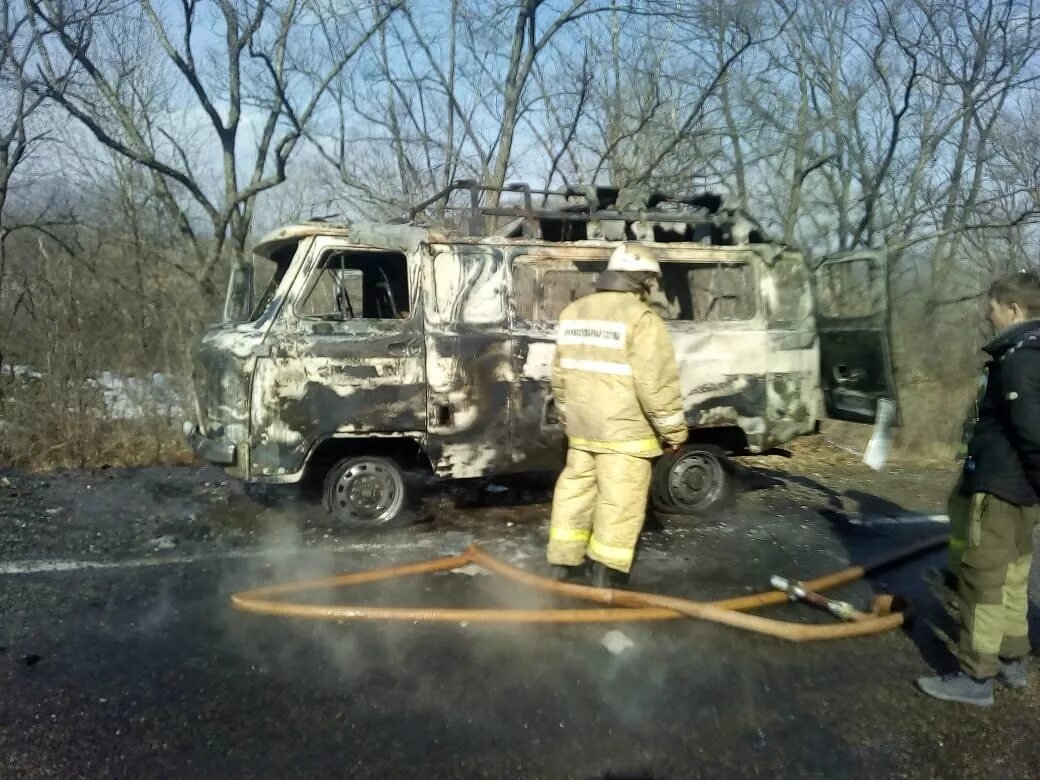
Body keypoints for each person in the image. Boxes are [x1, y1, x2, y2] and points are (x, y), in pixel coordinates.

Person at [918, 270, 1040, 706]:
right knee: (1012, 577)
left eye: (992, 306)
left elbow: (1033, 433)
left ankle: (976, 677)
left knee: (983, 580)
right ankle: (1012, 660)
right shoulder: (1031, 353)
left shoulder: (1020, 360)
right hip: (1021, 491)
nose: (987, 313)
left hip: (1001, 488)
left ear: (1013, 310)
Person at [545, 242, 689, 588]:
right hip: (626, 434)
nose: (652, 288)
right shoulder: (642, 320)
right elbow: (656, 384)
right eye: (650, 282)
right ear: (641, 280)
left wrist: (567, 417)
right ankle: (605, 575)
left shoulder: (573, 312)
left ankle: (562, 564)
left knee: (575, 492)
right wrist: (674, 433)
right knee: (619, 500)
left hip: (581, 430)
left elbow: (560, 376)